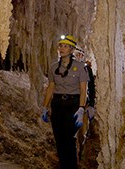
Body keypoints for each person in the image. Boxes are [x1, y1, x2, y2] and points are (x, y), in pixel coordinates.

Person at [41, 34, 89, 169]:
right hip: (57, 104)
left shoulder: (80, 67)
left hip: (72, 105)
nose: (62, 48)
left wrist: (81, 108)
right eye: (61, 46)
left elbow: (83, 89)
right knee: (59, 139)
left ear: (72, 50)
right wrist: (45, 107)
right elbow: (51, 87)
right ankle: (63, 165)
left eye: (66, 46)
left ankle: (72, 166)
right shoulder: (53, 67)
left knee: (69, 138)